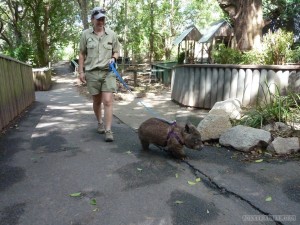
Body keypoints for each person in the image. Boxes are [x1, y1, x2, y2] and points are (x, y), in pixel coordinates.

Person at [78, 7, 120, 142]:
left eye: (103, 19)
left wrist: (113, 58)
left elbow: (116, 51)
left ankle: (108, 130)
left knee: (107, 101)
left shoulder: (112, 34)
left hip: (108, 72)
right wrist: (81, 71)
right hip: (92, 72)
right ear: (92, 20)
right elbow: (81, 53)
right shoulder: (85, 34)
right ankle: (100, 122)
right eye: (98, 19)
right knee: (97, 101)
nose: (101, 21)